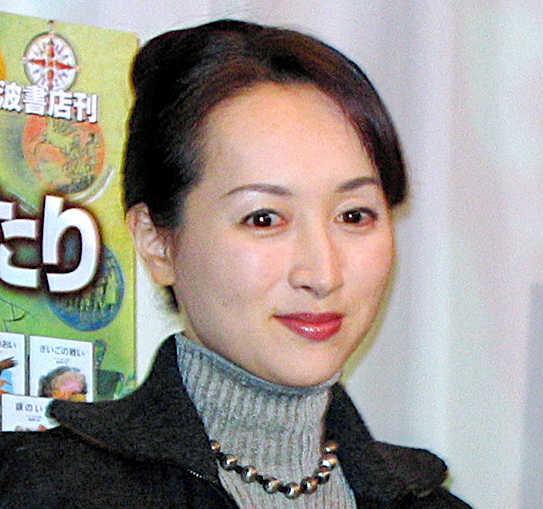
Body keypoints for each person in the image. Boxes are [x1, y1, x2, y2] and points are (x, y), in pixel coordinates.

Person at [0, 19, 471, 508]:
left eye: (354, 215)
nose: (322, 274)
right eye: (264, 218)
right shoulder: (45, 490)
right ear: (157, 243)